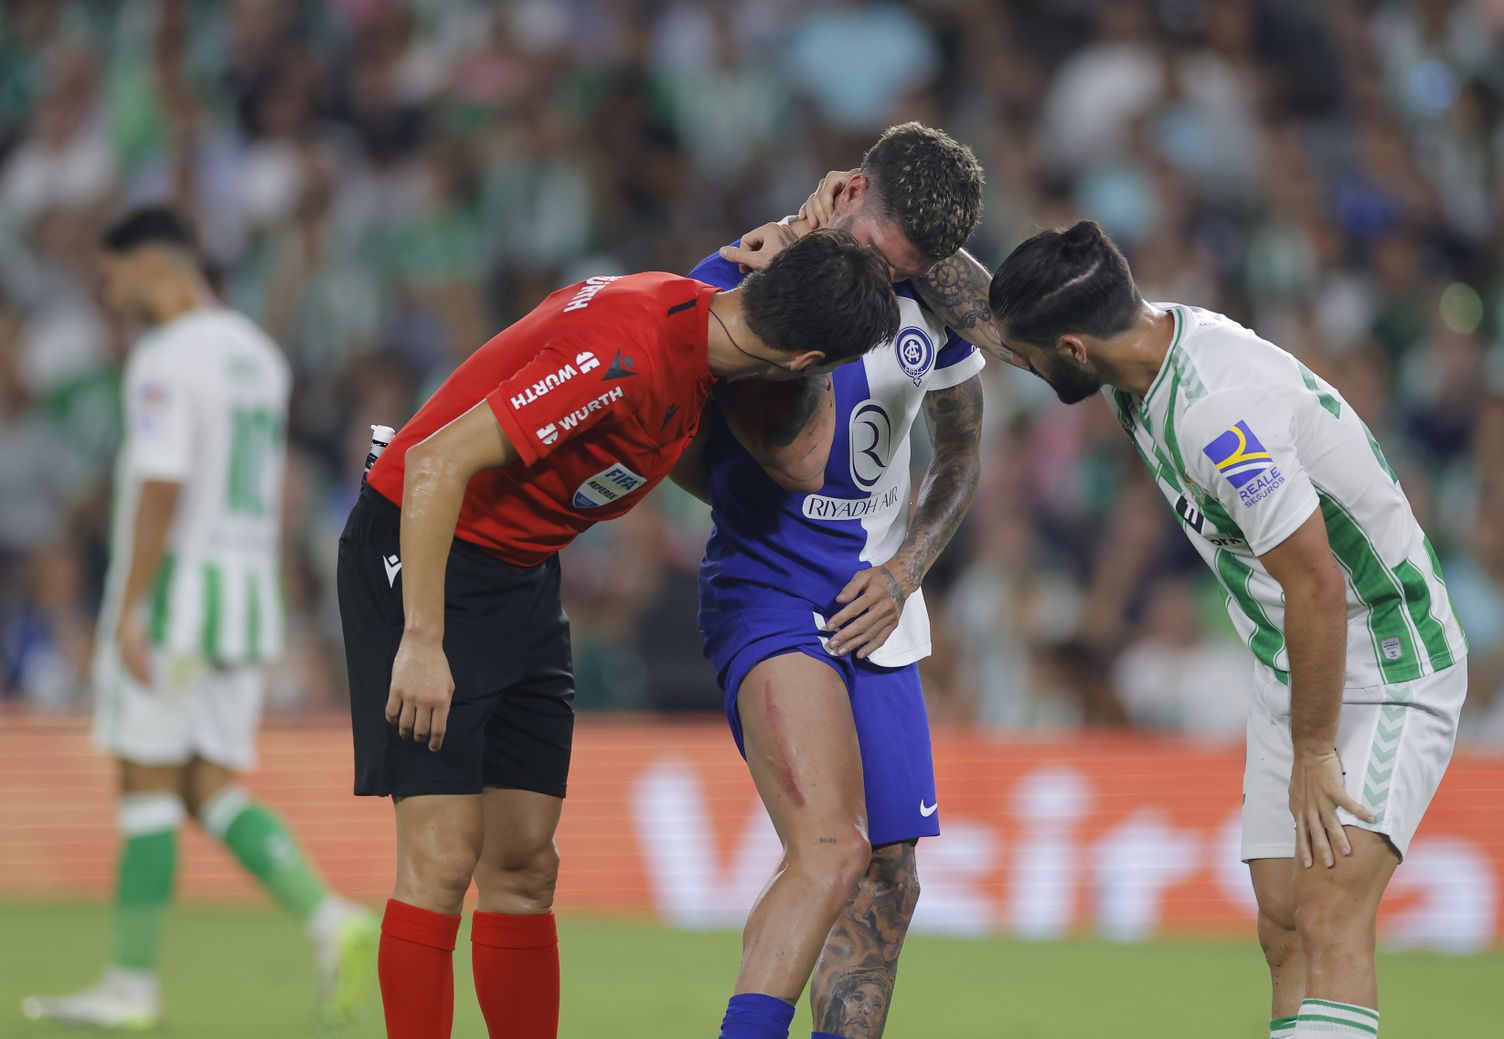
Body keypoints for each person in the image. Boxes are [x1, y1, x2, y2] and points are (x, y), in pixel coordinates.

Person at [338, 229, 899, 1039]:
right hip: (426, 548)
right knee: (443, 857)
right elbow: (433, 464)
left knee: (527, 865)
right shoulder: (626, 351)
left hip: (521, 570)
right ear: (807, 361)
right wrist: (421, 638)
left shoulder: (704, 341)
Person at [988, 221, 1468, 1039]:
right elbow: (997, 318)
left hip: (1384, 653)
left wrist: (1316, 752)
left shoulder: (1216, 414)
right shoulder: (1135, 346)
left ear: (1071, 347)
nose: (1021, 368)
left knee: (1328, 916)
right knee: (1281, 925)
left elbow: (1315, 582)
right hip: (1296, 661)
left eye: (1028, 356)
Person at [22, 207, 378, 1030]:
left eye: (113, 282)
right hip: (248, 600)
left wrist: (132, 604)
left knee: (144, 782)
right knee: (204, 783)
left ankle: (129, 984)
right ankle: (332, 919)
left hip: (179, 598)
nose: (111, 301)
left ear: (152, 268)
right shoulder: (256, 352)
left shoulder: (165, 357)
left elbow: (162, 482)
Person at [676, 123, 990, 1039]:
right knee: (827, 850)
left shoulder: (930, 295)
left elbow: (963, 452)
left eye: (907, 269)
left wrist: (904, 570)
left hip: (879, 609)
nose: (886, 282)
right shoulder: (738, 279)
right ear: (848, 193)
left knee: (889, 872)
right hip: (767, 589)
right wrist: (740, 499)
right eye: (874, 257)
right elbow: (668, 439)